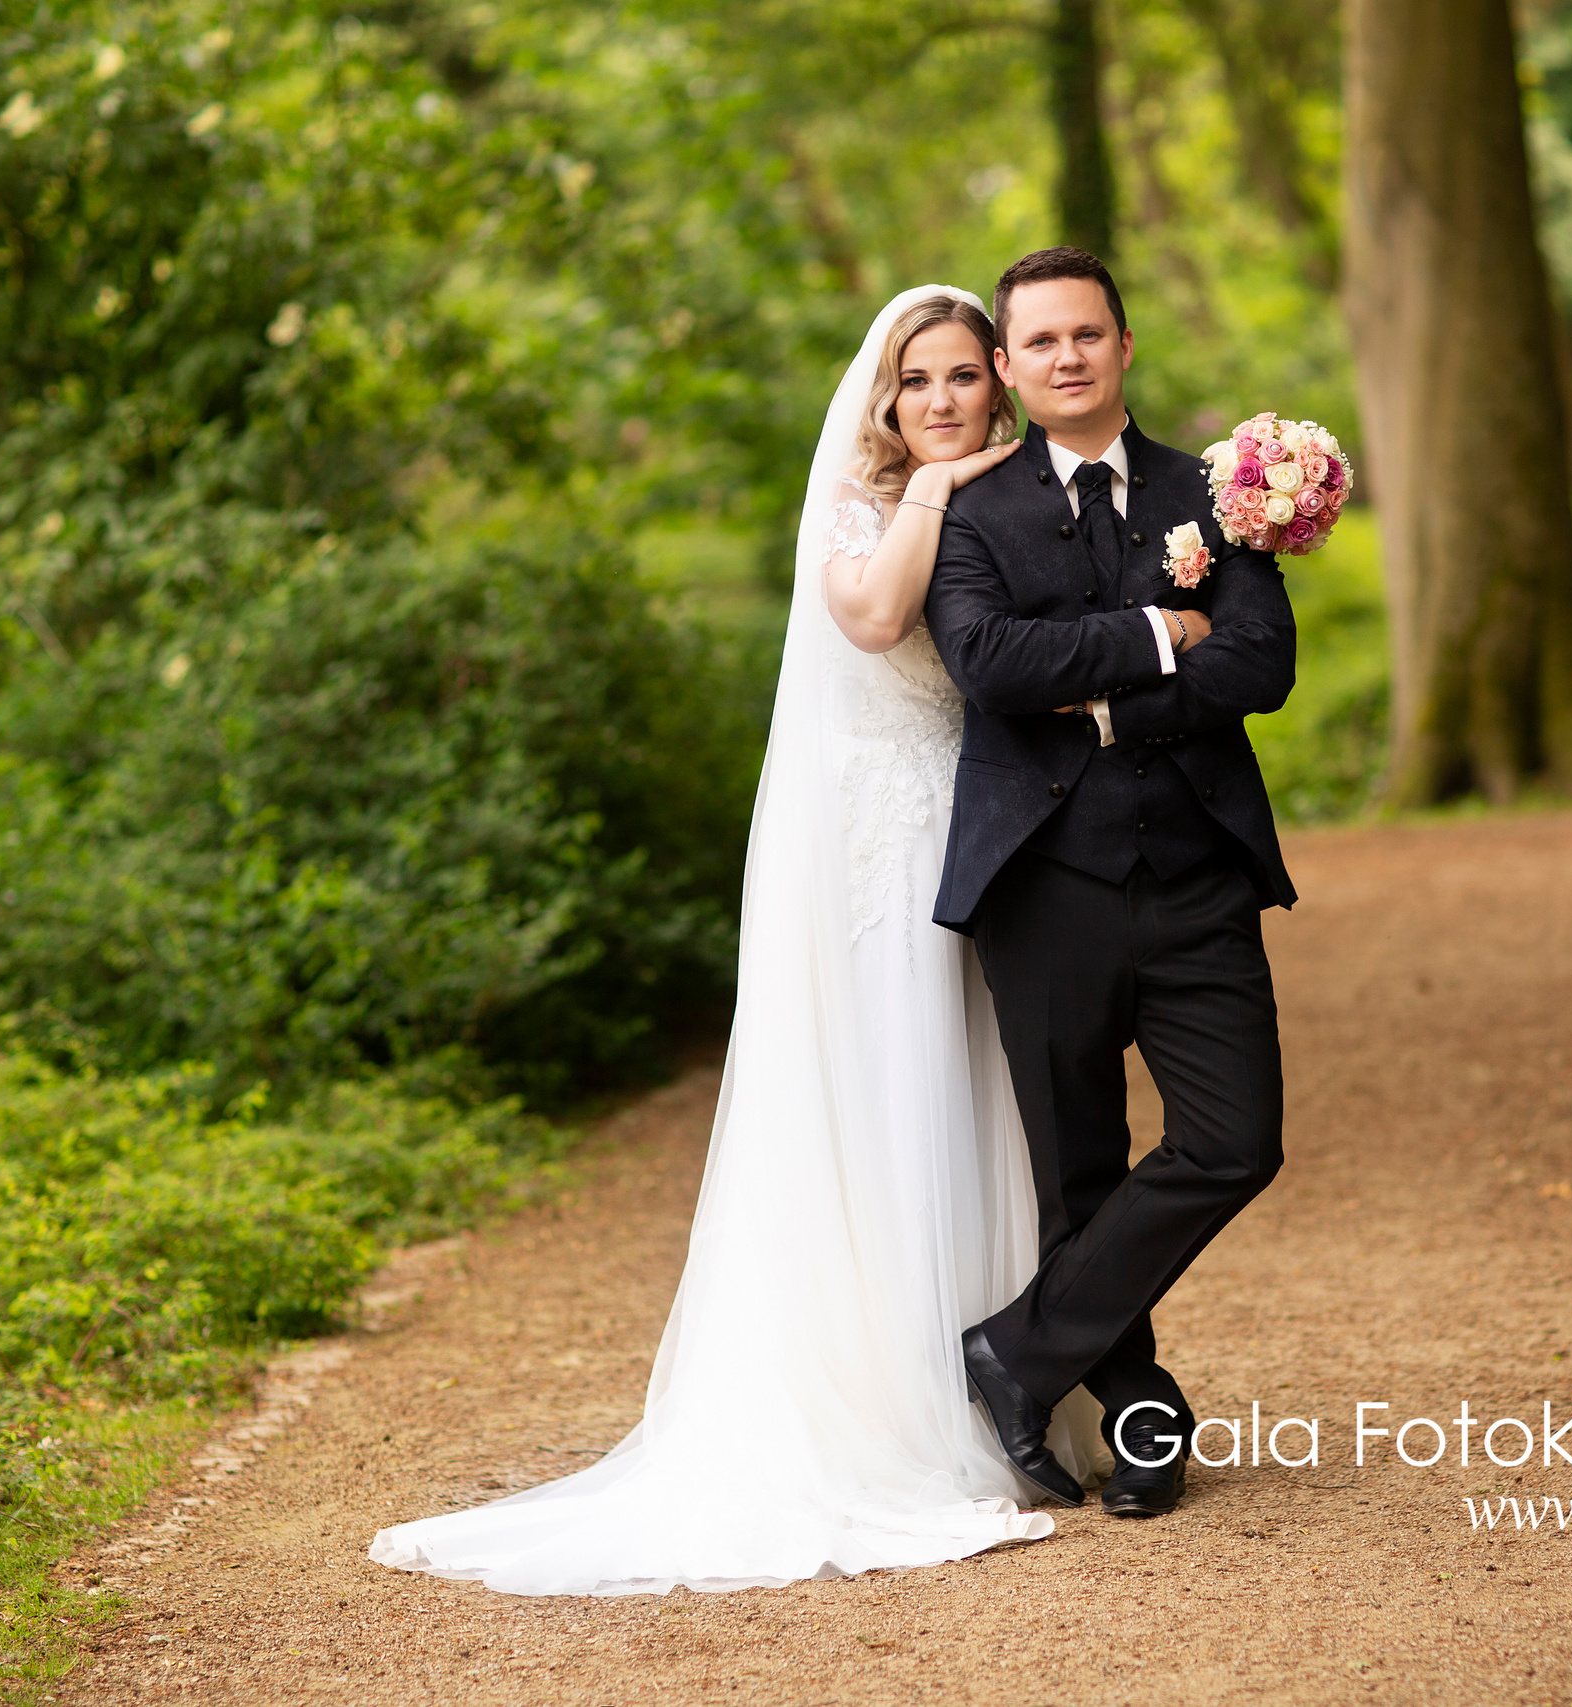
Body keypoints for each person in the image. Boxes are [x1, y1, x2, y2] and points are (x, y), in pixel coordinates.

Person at [367, 286, 1106, 1597]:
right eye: (914, 381)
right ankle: (885, 1408)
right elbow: (875, 620)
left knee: (972, 1091)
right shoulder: (860, 507)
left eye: (958, 377)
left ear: (996, 382)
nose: (940, 400)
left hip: (979, 831)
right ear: (886, 398)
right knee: (881, 1096)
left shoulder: (1018, 499)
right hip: (869, 843)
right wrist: (937, 492)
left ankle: (1004, 1376)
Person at [925, 247, 1298, 1520]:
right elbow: (986, 661)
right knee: (1077, 1174)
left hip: (1198, 877)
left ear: (1124, 347)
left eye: (1088, 334)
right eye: (1040, 344)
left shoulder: (1221, 494)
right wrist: (1149, 643)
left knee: (1236, 1141)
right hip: (1042, 888)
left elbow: (1259, 663)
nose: (1066, 358)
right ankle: (1142, 1427)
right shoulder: (970, 510)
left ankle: (1016, 1354)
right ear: (1013, 368)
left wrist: (1101, 712)